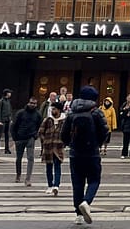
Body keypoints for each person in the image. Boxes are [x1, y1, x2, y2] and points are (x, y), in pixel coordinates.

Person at [60, 85, 108, 225]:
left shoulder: (72, 112)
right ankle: (86, 202)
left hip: (75, 154)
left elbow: (64, 134)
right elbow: (104, 132)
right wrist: (96, 144)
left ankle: (78, 215)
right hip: (92, 153)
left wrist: (71, 144)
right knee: (94, 180)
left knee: (77, 183)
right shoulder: (96, 112)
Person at [11, 96, 42, 186]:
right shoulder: (21, 113)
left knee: (31, 158)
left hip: (30, 138)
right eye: (31, 103)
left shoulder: (38, 114)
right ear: (28, 103)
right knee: (19, 158)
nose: (32, 105)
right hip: (20, 138)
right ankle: (18, 174)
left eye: (34, 103)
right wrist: (15, 137)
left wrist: (36, 135)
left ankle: (28, 178)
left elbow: (40, 126)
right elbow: (14, 125)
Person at [38, 101, 66, 196]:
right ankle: (50, 185)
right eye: (52, 109)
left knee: (57, 166)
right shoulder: (48, 120)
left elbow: (68, 132)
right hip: (48, 146)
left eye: (54, 109)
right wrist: (44, 141)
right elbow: (41, 131)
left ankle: (56, 186)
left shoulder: (64, 120)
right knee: (49, 167)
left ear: (58, 110)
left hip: (58, 146)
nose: (52, 110)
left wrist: (64, 142)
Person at [0, 89, 13, 155]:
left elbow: (10, 110)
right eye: (9, 93)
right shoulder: (1, 101)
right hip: (2, 121)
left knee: (7, 135)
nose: (10, 94)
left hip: (7, 120)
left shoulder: (8, 101)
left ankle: (7, 149)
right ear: (6, 93)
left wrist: (10, 119)